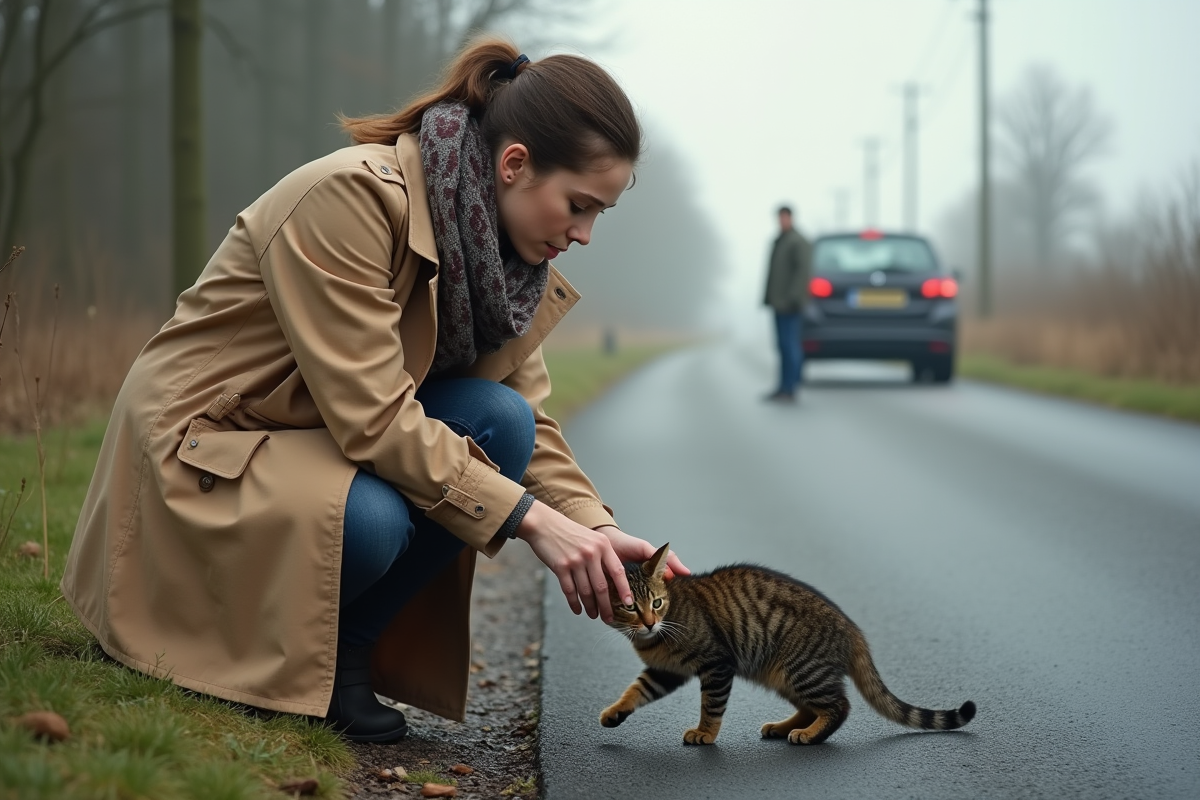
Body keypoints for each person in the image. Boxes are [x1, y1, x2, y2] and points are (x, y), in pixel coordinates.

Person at [59, 37, 689, 744]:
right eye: (579, 205)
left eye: (599, 213)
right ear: (514, 164)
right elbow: (375, 418)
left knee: (501, 422)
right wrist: (533, 522)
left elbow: (529, 426)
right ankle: (242, 649)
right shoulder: (351, 198)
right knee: (373, 521)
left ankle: (341, 659)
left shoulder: (505, 271)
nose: (585, 234)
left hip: (304, 435)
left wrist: (595, 528)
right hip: (205, 448)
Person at [762, 205, 812, 403]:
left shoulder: (798, 242)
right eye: (779, 218)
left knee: (790, 345)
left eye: (784, 217)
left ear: (791, 218)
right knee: (782, 346)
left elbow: (803, 272)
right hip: (778, 302)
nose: (781, 221)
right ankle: (783, 386)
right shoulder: (779, 241)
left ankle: (791, 386)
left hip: (790, 303)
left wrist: (794, 297)